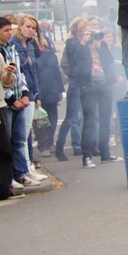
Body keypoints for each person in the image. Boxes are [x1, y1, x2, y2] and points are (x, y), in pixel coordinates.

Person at [65, 19, 118, 167]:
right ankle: (86, 156)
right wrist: (83, 43)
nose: (90, 32)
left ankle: (105, 153)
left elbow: (110, 60)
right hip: (88, 86)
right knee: (89, 120)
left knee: (105, 119)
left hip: (104, 85)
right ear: (78, 31)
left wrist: (100, 45)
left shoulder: (98, 42)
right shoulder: (74, 44)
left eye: (91, 28)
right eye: (86, 29)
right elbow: (74, 62)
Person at [0, 17, 38, 187]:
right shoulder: (0, 51)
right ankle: (10, 179)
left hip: (19, 96)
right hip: (6, 102)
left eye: (10, 30)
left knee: (20, 138)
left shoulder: (12, 48)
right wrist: (13, 99)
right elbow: (3, 81)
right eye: (6, 30)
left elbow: (19, 74)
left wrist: (25, 94)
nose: (10, 33)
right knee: (6, 141)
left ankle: (21, 172)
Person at [10, 14, 46, 180]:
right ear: (20, 26)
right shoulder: (14, 45)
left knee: (27, 133)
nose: (31, 30)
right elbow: (20, 72)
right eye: (28, 27)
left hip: (31, 91)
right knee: (22, 135)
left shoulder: (30, 45)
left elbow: (34, 71)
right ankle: (24, 169)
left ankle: (28, 166)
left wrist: (37, 93)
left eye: (33, 28)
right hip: (20, 93)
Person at [54, 18, 84, 161]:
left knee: (88, 115)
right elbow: (65, 64)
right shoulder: (71, 45)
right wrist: (74, 75)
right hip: (76, 84)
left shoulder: (90, 43)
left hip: (88, 83)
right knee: (71, 117)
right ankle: (59, 148)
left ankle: (89, 145)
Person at [35, 28, 64, 157]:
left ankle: (50, 142)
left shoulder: (51, 54)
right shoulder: (33, 55)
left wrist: (60, 89)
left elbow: (57, 72)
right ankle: (43, 145)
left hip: (52, 90)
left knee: (53, 119)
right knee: (41, 121)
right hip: (40, 91)